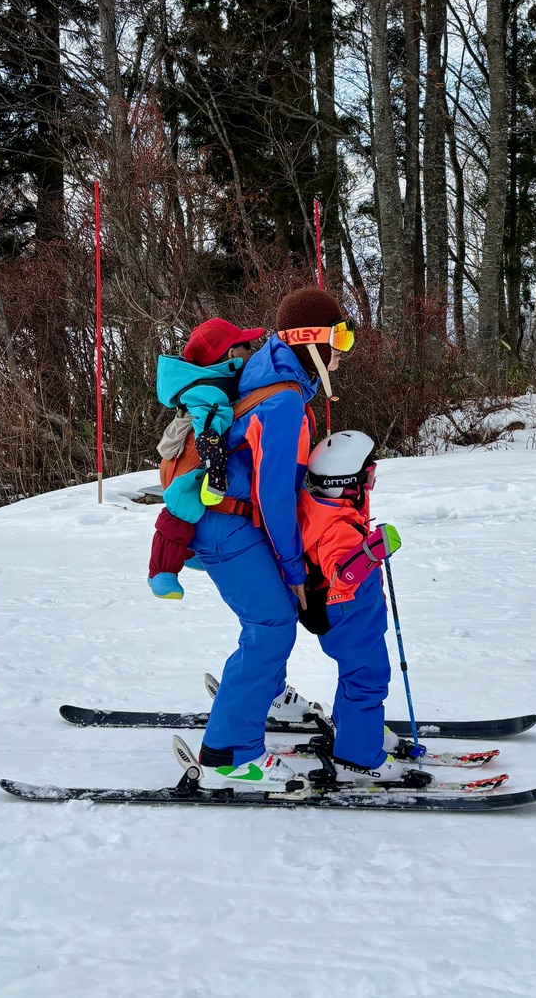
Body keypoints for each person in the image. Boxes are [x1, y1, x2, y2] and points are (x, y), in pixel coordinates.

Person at [189, 287, 357, 793]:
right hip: (227, 524)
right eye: (340, 338)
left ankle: (263, 693)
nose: (343, 351)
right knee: (272, 625)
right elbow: (275, 495)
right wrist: (294, 567)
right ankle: (229, 754)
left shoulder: (273, 367)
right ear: (312, 341)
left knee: (272, 619)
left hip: (230, 518)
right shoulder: (284, 400)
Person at [297, 430, 409, 783]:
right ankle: (358, 757)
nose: (370, 484)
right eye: (368, 477)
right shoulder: (337, 527)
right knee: (368, 679)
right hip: (349, 614)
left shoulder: (321, 507)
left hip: (347, 615)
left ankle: (356, 731)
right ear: (345, 481)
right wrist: (373, 551)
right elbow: (343, 572)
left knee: (354, 675)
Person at [148, 318, 263, 600]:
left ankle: (190, 553)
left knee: (193, 510)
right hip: (193, 461)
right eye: (248, 346)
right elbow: (208, 432)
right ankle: (161, 574)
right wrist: (216, 474)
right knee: (180, 509)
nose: (252, 351)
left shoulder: (217, 383)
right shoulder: (213, 390)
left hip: (191, 456)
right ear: (233, 355)